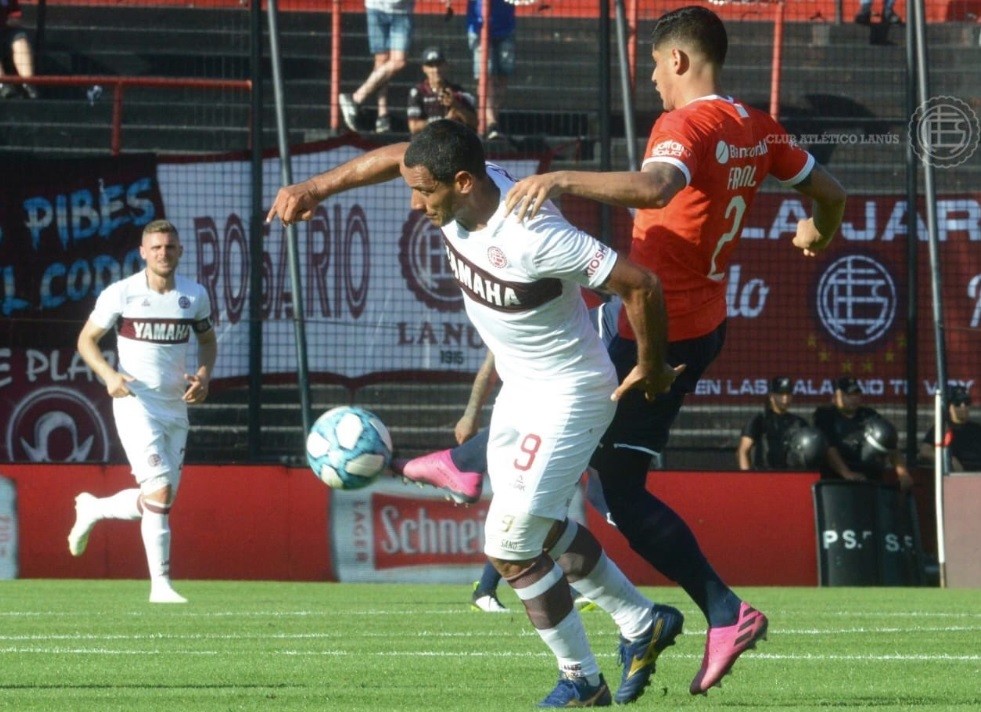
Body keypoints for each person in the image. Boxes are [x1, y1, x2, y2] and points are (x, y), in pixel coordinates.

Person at [409, 5, 847, 696]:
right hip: (699, 319)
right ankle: (484, 482)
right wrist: (816, 233)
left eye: (651, 63)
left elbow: (655, 187)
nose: (649, 78)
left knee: (595, 454)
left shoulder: (684, 124)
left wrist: (561, 180)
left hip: (656, 323)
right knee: (561, 401)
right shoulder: (757, 127)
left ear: (677, 60)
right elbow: (829, 193)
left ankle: (717, 612)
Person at [267, 119, 685, 707]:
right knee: (534, 535)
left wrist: (654, 365)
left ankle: (582, 681)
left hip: (571, 394)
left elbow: (641, 284)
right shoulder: (457, 189)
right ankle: (643, 624)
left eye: (425, 192)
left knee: (510, 547)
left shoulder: (533, 232)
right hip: (521, 389)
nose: (415, 203)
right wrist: (314, 188)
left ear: (463, 181)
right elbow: (398, 156)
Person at [68, 220, 217, 604]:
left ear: (180, 251)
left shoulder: (194, 295)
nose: (162, 253)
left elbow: (207, 341)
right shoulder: (122, 294)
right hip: (135, 403)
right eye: (155, 248)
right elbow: (86, 340)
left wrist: (203, 374)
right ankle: (161, 587)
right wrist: (108, 375)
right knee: (160, 491)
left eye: (169, 247)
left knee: (158, 501)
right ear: (142, 252)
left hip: (174, 408)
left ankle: (94, 508)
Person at [812, 377, 913, 491]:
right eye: (849, 395)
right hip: (838, 483)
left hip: (870, 480)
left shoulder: (868, 415)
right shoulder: (825, 416)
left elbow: (889, 442)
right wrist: (846, 473)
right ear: (835, 397)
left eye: (857, 394)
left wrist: (903, 473)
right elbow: (829, 448)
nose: (854, 398)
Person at [339, 0, 415, 133]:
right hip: (376, 7)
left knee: (399, 61)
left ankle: (356, 98)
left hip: (402, 10)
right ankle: (382, 115)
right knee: (381, 61)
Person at [454, 0, 515, 139]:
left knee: (503, 77)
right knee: (486, 75)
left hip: (506, 25)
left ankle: (492, 122)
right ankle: (490, 122)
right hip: (479, 27)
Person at [736, 377, 809, 470]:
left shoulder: (799, 423)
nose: (785, 398)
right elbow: (743, 451)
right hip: (764, 476)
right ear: (771, 397)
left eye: (788, 394)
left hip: (791, 476)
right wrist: (747, 479)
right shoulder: (759, 420)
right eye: (781, 394)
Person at [407, 46, 477, 135]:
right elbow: (413, 127)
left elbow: (475, 123)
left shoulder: (458, 92)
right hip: (427, 143)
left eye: (439, 64)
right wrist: (444, 121)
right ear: (424, 69)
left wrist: (456, 105)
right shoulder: (417, 92)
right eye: (431, 65)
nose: (436, 70)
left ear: (446, 66)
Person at [920, 385, 981, 472]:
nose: (963, 406)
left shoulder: (977, 429)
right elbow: (925, 451)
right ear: (949, 407)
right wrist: (948, 459)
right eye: (957, 403)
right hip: (955, 476)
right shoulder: (942, 428)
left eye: (966, 402)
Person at [0, 0, 39, 99]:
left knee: (20, 39)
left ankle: (28, 85)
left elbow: (17, 18)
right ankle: (2, 85)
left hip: (6, 31)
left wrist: (6, 21)